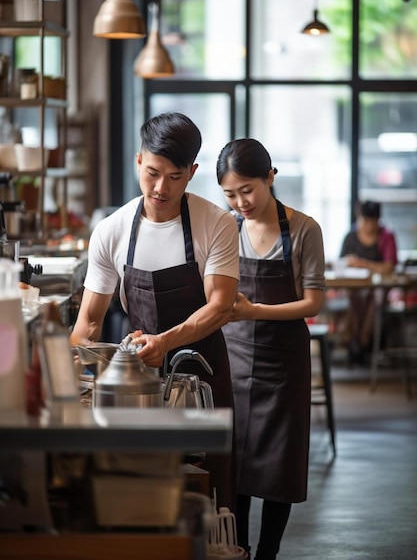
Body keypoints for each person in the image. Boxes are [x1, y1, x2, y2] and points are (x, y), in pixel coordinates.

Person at [70, 112, 239, 508]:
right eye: (152, 173)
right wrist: (77, 381)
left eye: (175, 177)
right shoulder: (112, 230)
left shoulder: (216, 224)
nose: (161, 187)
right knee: (142, 495)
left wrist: (165, 341)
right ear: (137, 161)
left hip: (203, 379)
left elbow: (220, 306)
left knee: (211, 496)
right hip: (137, 387)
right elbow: (88, 323)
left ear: (193, 171)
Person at [216, 138, 326, 560]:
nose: (240, 202)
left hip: (285, 363)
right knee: (237, 465)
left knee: (279, 464)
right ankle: (239, 550)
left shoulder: (303, 229)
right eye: (230, 193)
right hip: (235, 357)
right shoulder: (226, 228)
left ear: (270, 177)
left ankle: (268, 555)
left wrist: (253, 309)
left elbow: (313, 303)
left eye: (248, 190)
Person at [339, 200, 398, 365]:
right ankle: (357, 342)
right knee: (354, 298)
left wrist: (363, 264)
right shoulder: (350, 237)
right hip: (355, 288)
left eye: (372, 221)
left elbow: (389, 267)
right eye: (365, 220)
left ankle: (360, 340)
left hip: (378, 289)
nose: (368, 225)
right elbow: (341, 263)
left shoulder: (386, 237)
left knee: (374, 300)